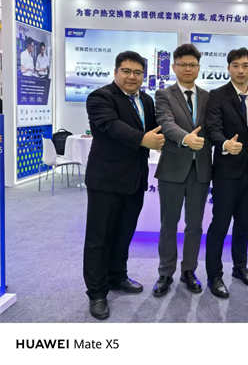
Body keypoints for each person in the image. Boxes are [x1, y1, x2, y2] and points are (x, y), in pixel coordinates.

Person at [84, 51, 165, 320]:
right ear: (116, 72)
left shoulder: (146, 100)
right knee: (99, 238)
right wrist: (143, 140)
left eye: (138, 72)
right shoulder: (100, 97)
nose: (132, 77)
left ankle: (117, 276)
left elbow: (157, 129)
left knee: (123, 233)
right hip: (106, 181)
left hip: (134, 180)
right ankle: (97, 292)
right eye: (126, 71)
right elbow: (111, 127)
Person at [205, 47, 248, 298]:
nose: (241, 70)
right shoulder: (217, 95)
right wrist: (224, 144)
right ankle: (214, 274)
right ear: (228, 68)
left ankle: (240, 267)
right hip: (226, 171)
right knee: (220, 224)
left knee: (244, 224)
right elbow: (212, 128)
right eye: (236, 66)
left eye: (245, 65)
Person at [153, 44, 211, 296]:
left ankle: (189, 270)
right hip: (172, 169)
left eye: (193, 65)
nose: (188, 69)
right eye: (183, 64)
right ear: (174, 67)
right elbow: (166, 123)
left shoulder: (208, 97)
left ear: (198, 68)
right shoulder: (163, 95)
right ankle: (165, 273)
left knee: (195, 225)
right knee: (168, 223)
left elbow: (214, 128)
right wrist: (186, 138)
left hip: (201, 170)